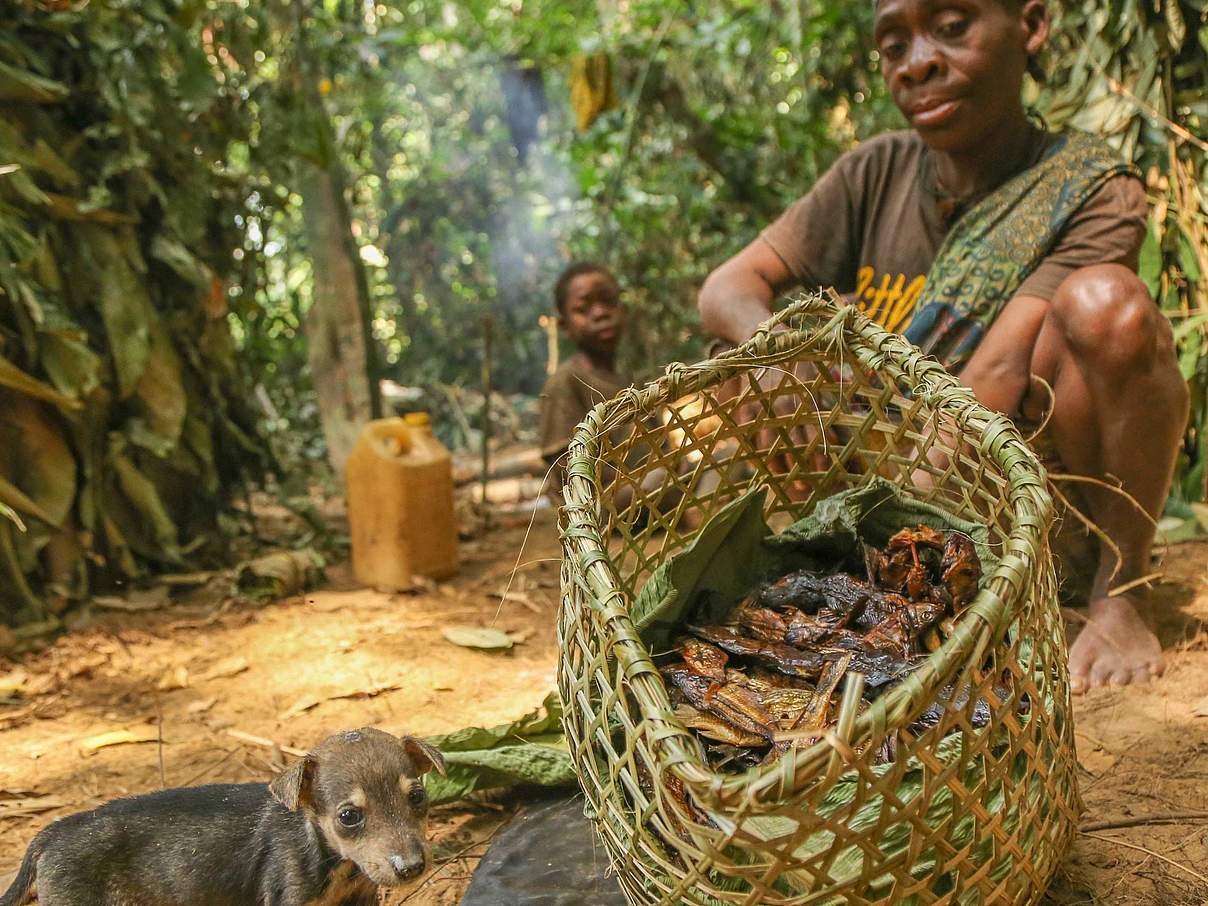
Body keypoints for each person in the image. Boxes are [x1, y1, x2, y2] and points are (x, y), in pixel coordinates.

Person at [697, 0, 1188, 692]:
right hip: (870, 475)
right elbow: (726, 288)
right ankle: (848, 580)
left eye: (951, 27)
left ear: (1032, 25)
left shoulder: (1088, 189)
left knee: (1107, 304)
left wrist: (894, 555)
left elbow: (991, 376)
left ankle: (1116, 592)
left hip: (1013, 490)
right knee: (746, 363)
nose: (918, 61)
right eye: (893, 44)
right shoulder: (873, 171)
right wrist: (791, 358)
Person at [538, 262, 630, 497]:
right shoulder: (564, 383)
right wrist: (638, 477)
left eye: (608, 301)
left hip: (650, 487)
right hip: (601, 505)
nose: (600, 313)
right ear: (564, 326)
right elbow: (566, 468)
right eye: (583, 308)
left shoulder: (628, 380)